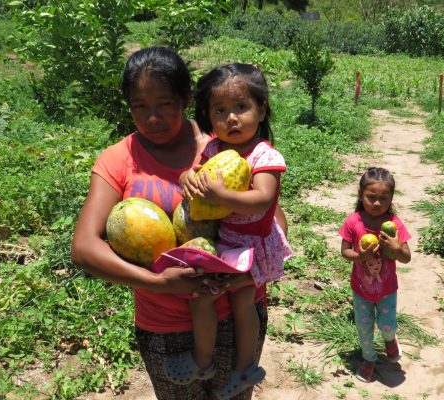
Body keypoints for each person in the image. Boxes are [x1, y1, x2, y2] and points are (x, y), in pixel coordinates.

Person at [71, 47, 286, 400]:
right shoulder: (117, 160)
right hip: (164, 324)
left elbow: (272, 214)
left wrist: (253, 271)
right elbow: (84, 248)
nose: (152, 117)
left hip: (237, 312)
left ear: (186, 99)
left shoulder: (222, 143)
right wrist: (159, 283)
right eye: (140, 106)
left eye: (165, 103)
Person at [173, 63, 292, 399]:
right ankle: (203, 360)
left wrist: (222, 196)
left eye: (241, 107)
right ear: (209, 116)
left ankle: (244, 369)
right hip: (224, 242)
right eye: (220, 110)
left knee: (243, 304)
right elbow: (196, 173)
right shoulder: (213, 148)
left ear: (262, 108)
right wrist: (187, 178)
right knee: (202, 298)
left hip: (254, 244)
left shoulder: (264, 155)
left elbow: (262, 199)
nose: (232, 118)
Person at [338, 167, 412, 383]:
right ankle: (369, 359)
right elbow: (345, 251)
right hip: (361, 289)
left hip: (387, 289)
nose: (377, 203)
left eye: (383, 198)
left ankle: (390, 340)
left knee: (387, 325)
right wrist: (360, 256)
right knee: (364, 327)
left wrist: (396, 247)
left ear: (391, 199)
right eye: (371, 198)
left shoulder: (394, 225)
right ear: (361, 196)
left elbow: (406, 258)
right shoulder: (353, 221)